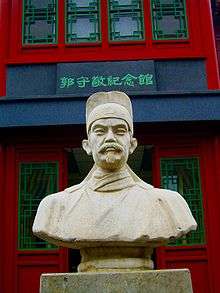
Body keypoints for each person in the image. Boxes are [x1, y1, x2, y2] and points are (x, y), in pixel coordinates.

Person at [33, 91, 197, 250]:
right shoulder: (56, 206)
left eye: (119, 131)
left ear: (132, 145)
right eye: (100, 131)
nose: (110, 138)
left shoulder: (167, 203)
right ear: (87, 145)